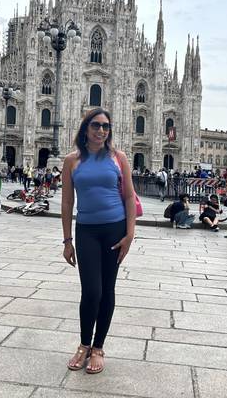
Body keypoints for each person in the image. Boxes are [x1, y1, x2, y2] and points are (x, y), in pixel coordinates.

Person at [62, 108, 136, 374]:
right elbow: (67, 201)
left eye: (106, 126)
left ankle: (98, 347)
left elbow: (129, 196)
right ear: (85, 129)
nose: (101, 130)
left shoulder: (119, 158)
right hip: (86, 231)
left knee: (107, 290)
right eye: (96, 125)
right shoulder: (72, 160)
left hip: (114, 229)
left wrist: (130, 234)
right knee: (91, 290)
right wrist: (67, 240)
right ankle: (83, 344)